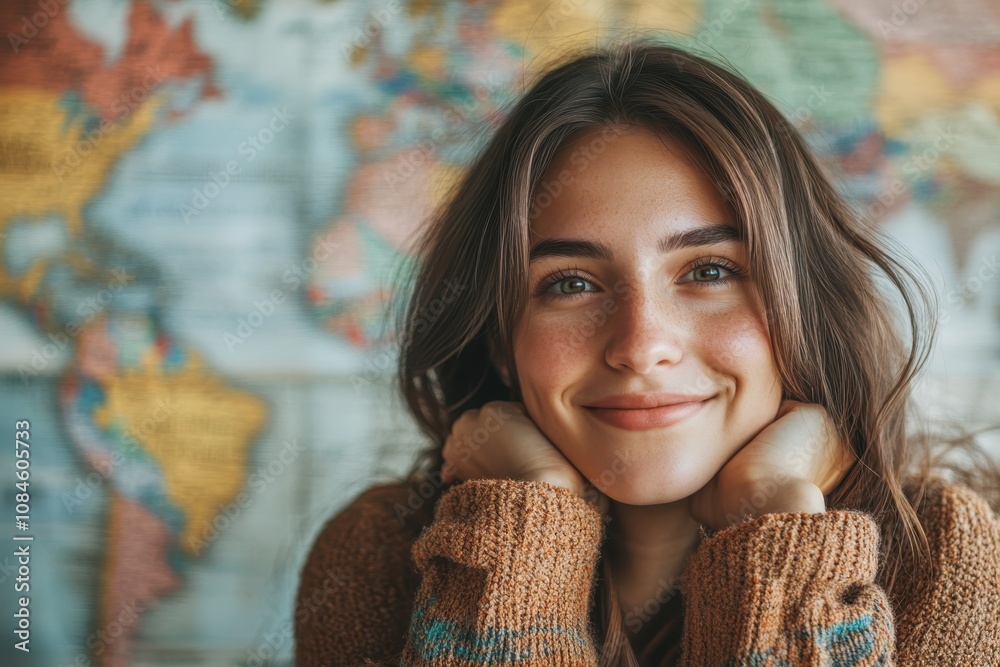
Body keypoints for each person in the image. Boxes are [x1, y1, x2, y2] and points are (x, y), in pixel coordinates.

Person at [294, 37, 1000, 666]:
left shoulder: (944, 556)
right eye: (569, 283)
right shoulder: (378, 555)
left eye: (710, 271)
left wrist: (774, 525)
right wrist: (526, 529)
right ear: (501, 338)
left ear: (802, 306)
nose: (640, 346)